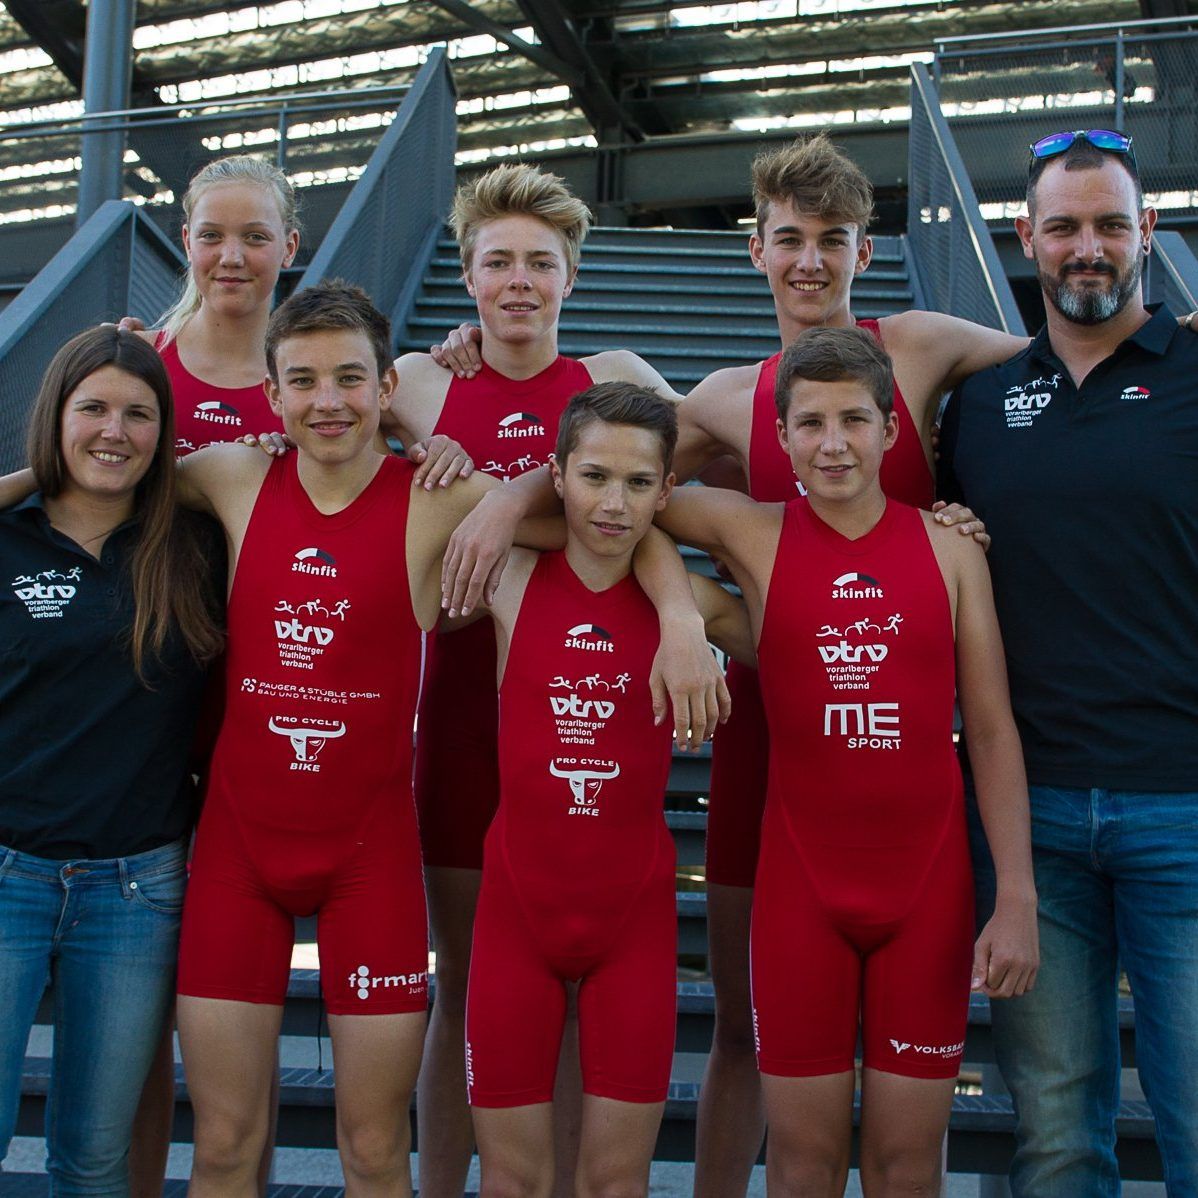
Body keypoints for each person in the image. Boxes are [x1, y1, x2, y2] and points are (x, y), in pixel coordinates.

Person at [384, 162, 714, 1198]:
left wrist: (674, 614)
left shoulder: (612, 372)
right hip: (465, 716)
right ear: (467, 279)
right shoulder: (421, 381)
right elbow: (308, 416)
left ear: (571, 275)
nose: (517, 280)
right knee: (470, 990)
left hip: (595, 717)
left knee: (586, 998)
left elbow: (658, 497)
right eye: (496, 262)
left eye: (539, 261)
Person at [655, 325, 1038, 1197]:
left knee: (906, 1168)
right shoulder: (752, 532)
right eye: (812, 423)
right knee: (803, 1164)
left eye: (855, 421)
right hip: (800, 897)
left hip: (927, 897)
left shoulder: (950, 551)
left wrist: (1014, 893)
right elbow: (614, 501)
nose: (834, 443)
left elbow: (989, 730)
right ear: (780, 437)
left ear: (893, 429)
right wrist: (680, 614)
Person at [938, 129, 1198, 1196]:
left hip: (1183, 806)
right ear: (1024, 240)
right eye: (1062, 227)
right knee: (1052, 1135)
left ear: (1145, 232)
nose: (1084, 247)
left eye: (1106, 224)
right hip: (1026, 821)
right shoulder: (984, 403)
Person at [456, 382, 753, 1198]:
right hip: (518, 910)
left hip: (634, 922)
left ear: (667, 491)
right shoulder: (511, 572)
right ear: (556, 475)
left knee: (615, 1183)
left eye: (635, 484)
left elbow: (808, 637)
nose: (612, 503)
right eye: (592, 477)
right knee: (512, 1180)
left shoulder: (689, 607)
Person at [0, 327, 222, 1197]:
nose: (114, 431)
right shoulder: (9, 539)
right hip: (7, 873)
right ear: (54, 415)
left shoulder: (194, 547)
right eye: (91, 408)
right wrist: (27, 484)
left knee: (93, 1160)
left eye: (139, 414)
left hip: (136, 892)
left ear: (164, 435)